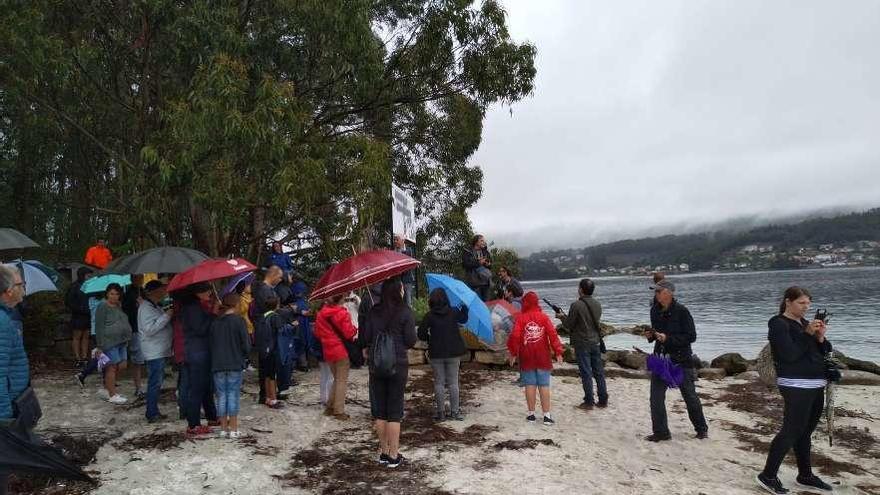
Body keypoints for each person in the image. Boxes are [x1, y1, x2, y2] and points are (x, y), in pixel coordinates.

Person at [756, 287, 834, 494]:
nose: (806, 307)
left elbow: (823, 352)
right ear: (788, 302)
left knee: (805, 432)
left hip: (816, 384)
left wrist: (820, 338)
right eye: (801, 303)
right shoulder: (778, 323)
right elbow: (789, 355)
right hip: (795, 384)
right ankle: (768, 475)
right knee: (791, 430)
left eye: (808, 303)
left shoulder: (804, 324)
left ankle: (805, 475)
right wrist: (807, 334)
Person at [361, 279, 417, 468]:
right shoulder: (405, 312)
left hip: (376, 365)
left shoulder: (373, 311)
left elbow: (366, 338)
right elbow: (410, 340)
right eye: (402, 288)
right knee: (394, 412)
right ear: (398, 291)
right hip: (398, 364)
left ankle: (384, 452)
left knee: (380, 411)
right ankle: (394, 455)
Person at [644, 280, 708, 442]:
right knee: (655, 398)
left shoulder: (682, 311)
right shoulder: (654, 310)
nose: (656, 294)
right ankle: (661, 432)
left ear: (669, 293)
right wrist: (651, 336)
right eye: (655, 292)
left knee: (690, 396)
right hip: (660, 359)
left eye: (658, 291)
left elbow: (691, 336)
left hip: (681, 359)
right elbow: (657, 333)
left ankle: (701, 429)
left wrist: (668, 338)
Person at [507, 291, 564, 426]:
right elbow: (552, 334)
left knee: (530, 385)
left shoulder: (521, 318)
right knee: (544, 385)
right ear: (537, 303)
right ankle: (547, 416)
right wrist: (558, 352)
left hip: (526, 356)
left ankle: (531, 415)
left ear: (524, 303)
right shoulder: (544, 317)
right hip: (543, 356)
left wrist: (513, 353)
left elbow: (515, 336)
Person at [417, 288, 468, 422]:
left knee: (439, 382)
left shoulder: (429, 316)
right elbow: (464, 319)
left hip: (436, 352)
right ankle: (455, 412)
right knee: (453, 382)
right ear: (446, 299)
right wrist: (465, 308)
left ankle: (441, 413)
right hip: (453, 352)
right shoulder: (453, 311)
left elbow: (420, 334)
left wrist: (429, 338)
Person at [556, 278, 608, 410]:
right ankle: (603, 400)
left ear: (581, 289)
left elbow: (569, 325)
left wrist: (561, 316)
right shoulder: (598, 304)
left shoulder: (576, 305)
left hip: (582, 343)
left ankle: (589, 401)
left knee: (586, 372)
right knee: (599, 372)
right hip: (595, 341)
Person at [0, 265, 28, 495]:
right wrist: (4, 419)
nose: (23, 289)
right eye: (20, 284)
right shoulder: (1, 322)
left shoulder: (6, 317)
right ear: (8, 290)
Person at [210, 292, 251, 439]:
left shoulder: (215, 322)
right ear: (236, 304)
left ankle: (223, 429)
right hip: (234, 363)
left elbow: (211, 344)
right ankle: (233, 429)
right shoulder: (239, 321)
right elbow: (246, 345)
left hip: (218, 364)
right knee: (233, 395)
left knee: (221, 396)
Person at [180, 283, 219, 437]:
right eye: (207, 290)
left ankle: (211, 416)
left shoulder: (198, 306)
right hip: (197, 352)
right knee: (196, 389)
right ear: (199, 293)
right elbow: (201, 329)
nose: (210, 292)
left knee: (206, 387)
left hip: (202, 351)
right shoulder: (192, 308)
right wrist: (214, 313)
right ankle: (193, 423)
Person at [314, 293, 358, 419]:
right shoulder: (342, 313)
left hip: (327, 349)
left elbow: (317, 333)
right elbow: (349, 333)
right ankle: (339, 410)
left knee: (337, 379)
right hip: (340, 350)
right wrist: (355, 329)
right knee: (342, 380)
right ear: (341, 299)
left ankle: (330, 406)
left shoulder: (321, 313)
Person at [138, 280, 173, 423]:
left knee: (157, 382)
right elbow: (149, 329)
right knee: (154, 382)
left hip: (160, 349)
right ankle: (151, 413)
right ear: (154, 291)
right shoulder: (145, 308)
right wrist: (167, 316)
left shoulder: (155, 306)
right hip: (154, 351)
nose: (165, 291)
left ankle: (153, 410)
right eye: (162, 289)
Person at [94, 283, 132, 404]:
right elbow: (99, 326)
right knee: (112, 367)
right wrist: (100, 345)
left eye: (116, 294)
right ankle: (112, 394)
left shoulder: (118, 306)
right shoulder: (102, 306)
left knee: (122, 365)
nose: (114, 296)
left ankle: (107, 387)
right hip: (109, 341)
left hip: (122, 341)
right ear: (107, 294)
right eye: (111, 294)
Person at [122, 275, 145, 398]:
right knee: (137, 359)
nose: (140, 280)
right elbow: (126, 311)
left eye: (141, 277)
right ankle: (138, 386)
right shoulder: (128, 295)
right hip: (135, 329)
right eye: (138, 277)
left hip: (145, 329)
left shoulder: (144, 292)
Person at [65, 267, 93, 366]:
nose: (89, 277)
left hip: (88, 315)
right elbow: (69, 301)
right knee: (77, 336)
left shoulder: (90, 286)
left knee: (86, 336)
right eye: (88, 275)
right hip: (78, 315)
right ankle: (78, 358)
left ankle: (84, 357)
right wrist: (79, 309)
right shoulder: (74, 286)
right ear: (82, 275)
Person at [461, 234, 492, 301]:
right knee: (477, 302)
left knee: (486, 303)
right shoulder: (467, 251)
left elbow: (490, 265)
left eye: (484, 241)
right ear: (476, 242)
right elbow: (465, 264)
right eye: (481, 241)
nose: (483, 242)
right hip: (474, 283)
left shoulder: (485, 252)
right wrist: (478, 263)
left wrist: (488, 264)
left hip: (486, 282)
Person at [394, 234, 416, 306]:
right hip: (397, 281)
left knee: (407, 302)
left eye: (397, 240)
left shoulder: (409, 251)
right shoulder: (394, 252)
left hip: (407, 281)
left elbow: (408, 266)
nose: (395, 241)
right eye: (394, 239)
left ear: (403, 241)